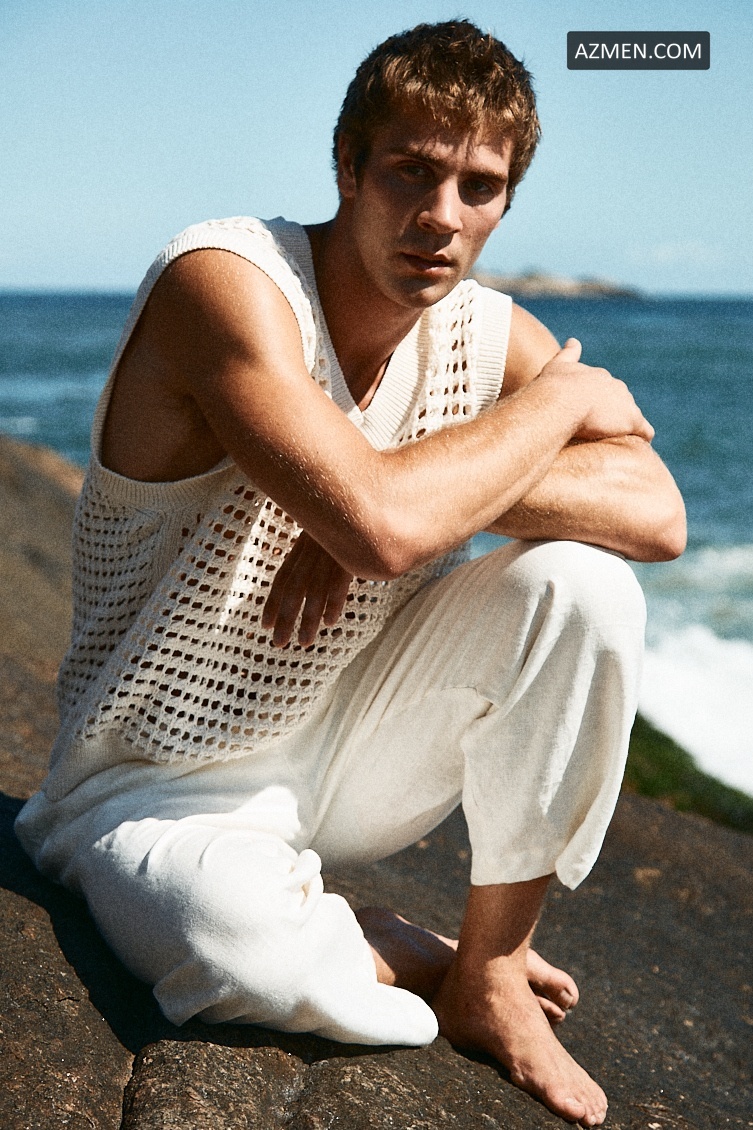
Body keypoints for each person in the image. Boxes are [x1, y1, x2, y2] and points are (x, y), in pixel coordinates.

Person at [15, 19, 685, 1128]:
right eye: (410, 170)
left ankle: (490, 965)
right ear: (346, 165)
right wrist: (561, 401)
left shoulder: (485, 331)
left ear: (506, 201)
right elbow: (382, 526)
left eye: (479, 186)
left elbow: (655, 513)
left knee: (589, 585)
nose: (442, 216)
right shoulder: (225, 281)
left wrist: (399, 486)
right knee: (235, 951)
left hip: (355, 744)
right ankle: (381, 942)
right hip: (150, 780)